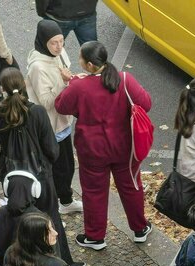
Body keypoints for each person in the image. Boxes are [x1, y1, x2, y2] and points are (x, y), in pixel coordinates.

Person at [0, 67, 84, 266]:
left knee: (20, 217)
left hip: (12, 176)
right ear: (24, 85)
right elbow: (51, 149)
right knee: (50, 217)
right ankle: (63, 263)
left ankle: (26, 258)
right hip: (40, 176)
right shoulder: (37, 112)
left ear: (2, 88)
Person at [55, 41, 152, 250]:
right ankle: (140, 229)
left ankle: (95, 236)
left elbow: (61, 105)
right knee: (131, 186)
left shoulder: (79, 87)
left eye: (80, 58)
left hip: (92, 150)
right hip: (125, 147)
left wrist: (71, 81)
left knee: (94, 191)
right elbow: (146, 103)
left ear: (89, 65)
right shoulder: (124, 79)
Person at [26, 19, 83, 215]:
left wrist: (71, 80)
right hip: (51, 126)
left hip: (62, 122)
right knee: (60, 168)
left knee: (66, 166)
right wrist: (64, 82)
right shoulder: (38, 67)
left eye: (61, 41)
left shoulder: (57, 54)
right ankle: (62, 203)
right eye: (54, 42)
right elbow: (46, 102)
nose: (59, 47)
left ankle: (63, 200)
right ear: (43, 42)